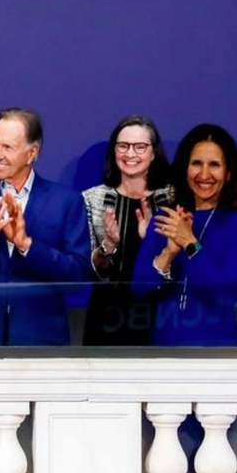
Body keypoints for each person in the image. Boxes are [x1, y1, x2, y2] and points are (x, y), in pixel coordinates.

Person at [0, 108, 89, 351]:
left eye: (7, 147)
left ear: (32, 153)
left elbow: (78, 276)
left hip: (40, 341)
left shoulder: (66, 202)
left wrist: (27, 245)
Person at [132, 123, 237, 346]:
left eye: (214, 165)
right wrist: (168, 253)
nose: (204, 174)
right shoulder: (167, 217)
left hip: (216, 348)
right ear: (185, 169)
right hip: (164, 345)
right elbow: (139, 288)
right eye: (196, 163)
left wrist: (190, 243)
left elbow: (225, 296)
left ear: (229, 173)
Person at [81, 115, 172, 345]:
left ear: (153, 153)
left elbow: (180, 265)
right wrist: (108, 247)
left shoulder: (172, 199)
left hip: (160, 313)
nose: (130, 154)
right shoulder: (92, 199)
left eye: (140, 147)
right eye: (123, 146)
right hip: (106, 316)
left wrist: (151, 241)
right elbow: (90, 270)